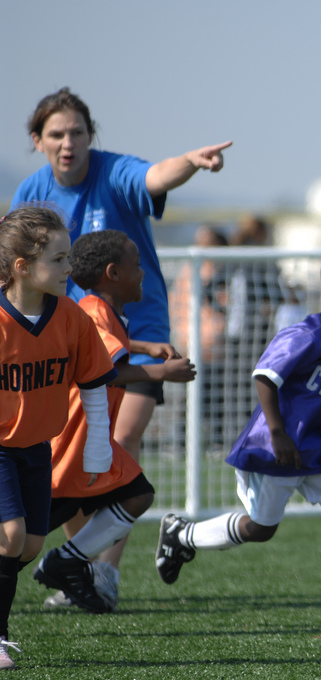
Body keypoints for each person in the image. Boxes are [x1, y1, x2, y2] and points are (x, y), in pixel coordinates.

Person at [154, 249, 321, 630]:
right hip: (281, 446)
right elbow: (264, 376)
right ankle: (182, 535)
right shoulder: (308, 334)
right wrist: (277, 433)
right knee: (261, 529)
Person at [12, 87, 230, 464]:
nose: (68, 143)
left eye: (77, 132)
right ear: (37, 140)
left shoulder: (114, 172)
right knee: (72, 452)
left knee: (121, 439)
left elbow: (155, 176)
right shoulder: (31, 192)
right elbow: (14, 261)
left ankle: (116, 515)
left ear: (90, 135)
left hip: (141, 327)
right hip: (69, 338)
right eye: (57, 134)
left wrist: (190, 162)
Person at [33, 230, 196, 613]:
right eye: (136, 265)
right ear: (113, 273)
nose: (143, 273)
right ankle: (64, 562)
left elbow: (102, 343)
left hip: (91, 439)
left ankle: (67, 561)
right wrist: (161, 371)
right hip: (72, 439)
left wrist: (141, 347)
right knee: (21, 540)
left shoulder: (100, 311)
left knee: (138, 493)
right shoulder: (93, 309)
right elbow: (105, 373)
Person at [0, 205, 118, 669]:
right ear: (22, 267)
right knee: (10, 537)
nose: (70, 268)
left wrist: (98, 445)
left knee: (29, 546)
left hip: (36, 449)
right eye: (60, 258)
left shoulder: (70, 317)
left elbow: (92, 382)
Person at [170, 225, 229, 448]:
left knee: (214, 397)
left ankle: (215, 442)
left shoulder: (222, 270)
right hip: (191, 341)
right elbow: (177, 304)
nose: (200, 245)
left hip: (215, 344)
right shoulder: (190, 269)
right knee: (186, 396)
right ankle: (180, 443)